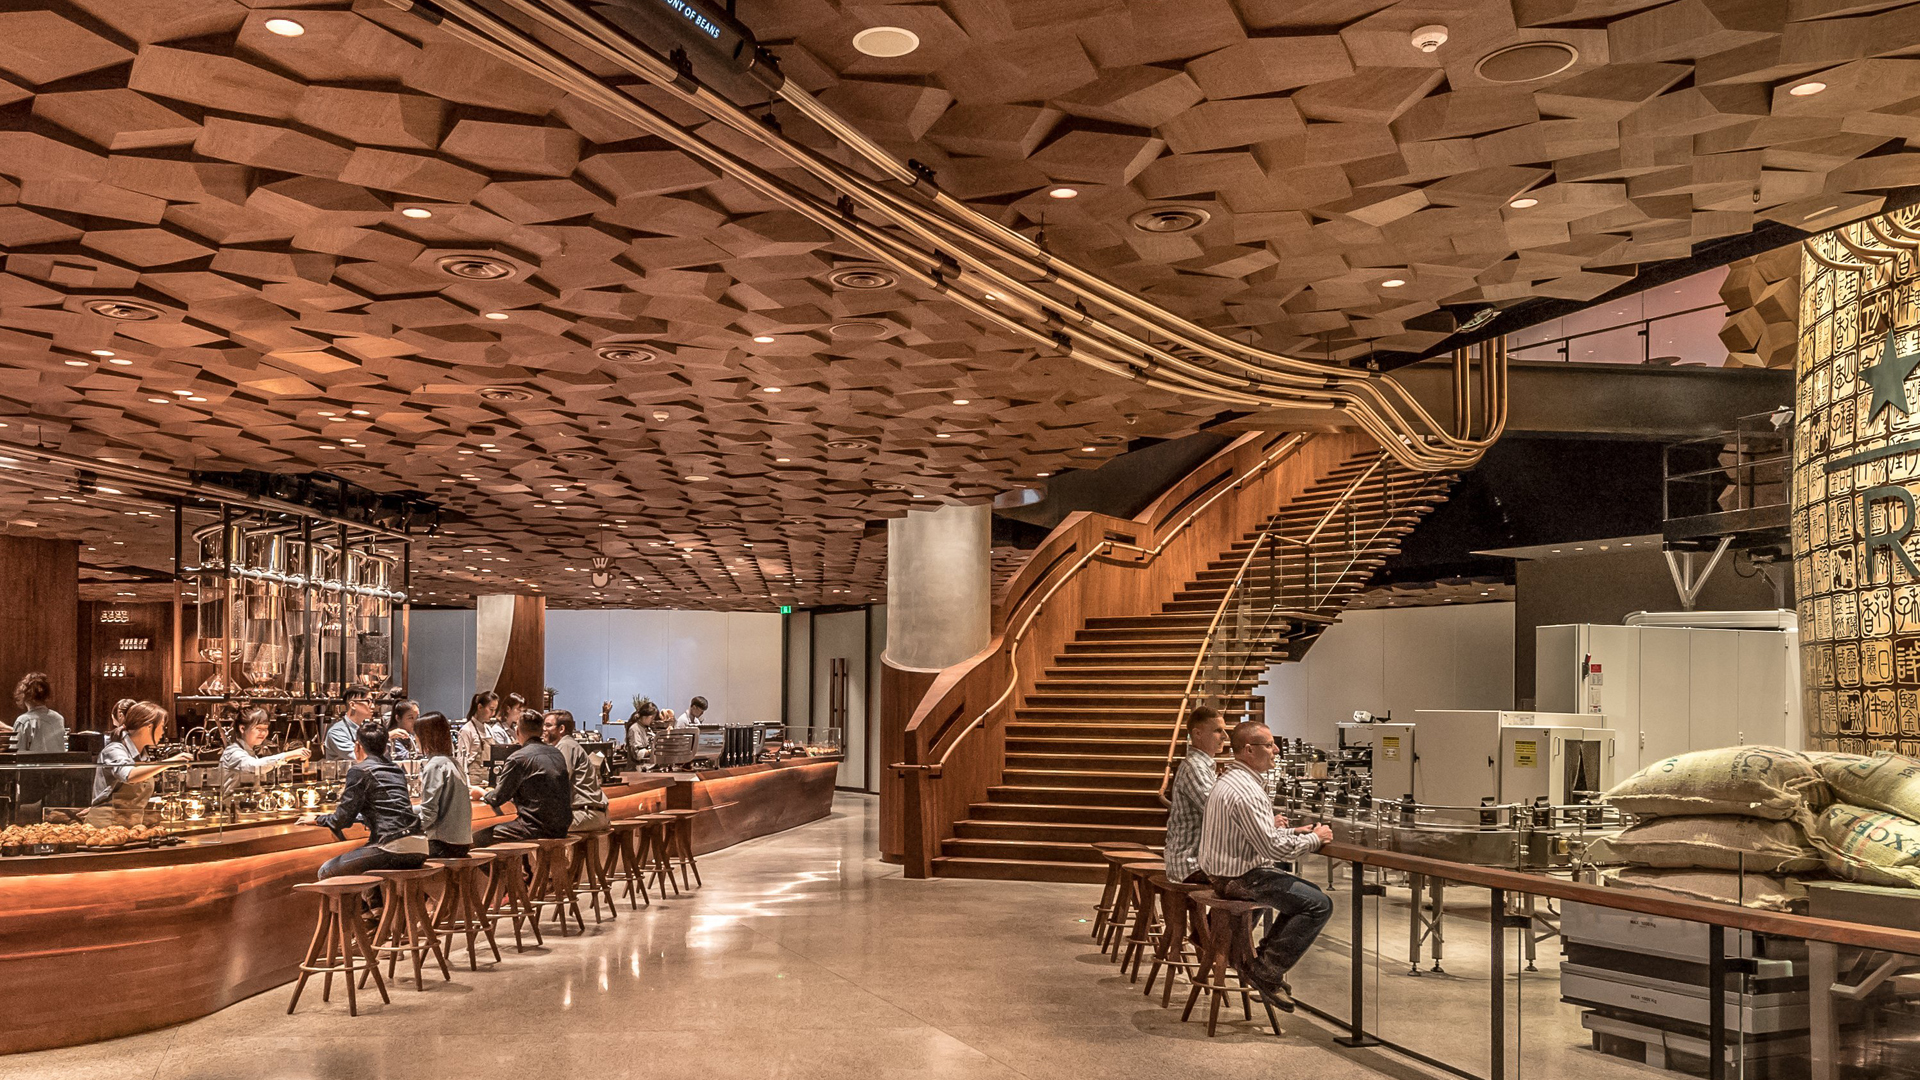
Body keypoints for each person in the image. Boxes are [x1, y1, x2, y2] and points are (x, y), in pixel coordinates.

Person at [1197, 720, 1334, 1012]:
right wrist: (1315, 839)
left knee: (1304, 896)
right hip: (1239, 877)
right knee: (1318, 904)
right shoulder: (1246, 790)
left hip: (1225, 873)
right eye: (1269, 745)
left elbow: (1258, 835)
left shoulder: (1232, 780)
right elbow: (1270, 847)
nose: (1275, 750)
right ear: (1249, 750)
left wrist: (1294, 833)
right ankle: (1265, 970)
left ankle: (1249, 957)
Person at [299, 719, 427, 879]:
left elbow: (342, 819)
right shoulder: (395, 770)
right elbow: (387, 808)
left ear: (358, 745)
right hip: (420, 845)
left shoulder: (359, 771)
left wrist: (318, 819)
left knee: (326, 871)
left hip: (393, 846)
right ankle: (378, 904)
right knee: (370, 877)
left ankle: (369, 905)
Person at [469, 709, 570, 845]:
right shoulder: (556, 753)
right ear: (541, 731)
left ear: (517, 731)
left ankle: (505, 867)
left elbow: (497, 798)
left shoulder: (518, 758)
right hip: (562, 828)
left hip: (535, 827)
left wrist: (481, 792)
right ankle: (523, 866)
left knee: (477, 838)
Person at [90, 701, 192, 826]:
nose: (163, 733)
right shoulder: (114, 750)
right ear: (148, 727)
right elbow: (129, 775)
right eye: (161, 727)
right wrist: (169, 762)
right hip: (105, 827)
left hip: (131, 826)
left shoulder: (143, 756)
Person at [1164, 706, 1228, 886]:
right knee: (1258, 884)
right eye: (1218, 731)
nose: (1225, 736)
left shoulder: (1204, 766)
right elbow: (1218, 812)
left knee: (1260, 878)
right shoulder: (1195, 767)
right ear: (1197, 734)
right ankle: (1217, 916)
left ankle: (1216, 916)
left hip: (1201, 861)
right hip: (1190, 864)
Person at [410, 711, 472, 858]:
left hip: (442, 844)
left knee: (397, 856)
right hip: (461, 845)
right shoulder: (453, 763)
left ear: (425, 736)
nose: (415, 738)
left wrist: (405, 829)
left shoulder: (434, 766)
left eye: (416, 734)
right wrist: (408, 810)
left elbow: (429, 815)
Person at [543, 710, 609, 834]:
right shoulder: (569, 745)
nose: (543, 729)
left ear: (561, 729)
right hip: (594, 814)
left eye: (548, 725)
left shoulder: (565, 745)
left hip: (584, 815)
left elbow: (557, 781)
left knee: (534, 828)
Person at [220, 706, 310, 790]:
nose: (263, 733)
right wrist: (288, 755)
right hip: (231, 805)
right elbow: (255, 766)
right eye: (259, 729)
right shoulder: (232, 752)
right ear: (242, 728)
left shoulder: (250, 752)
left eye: (265, 729)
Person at [12, 672, 67, 753]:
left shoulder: (24, 721)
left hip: (33, 765)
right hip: (56, 765)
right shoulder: (58, 718)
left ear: (24, 695)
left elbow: (16, 752)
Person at [455, 690, 499, 784]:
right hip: (473, 782)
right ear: (480, 707)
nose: (493, 714)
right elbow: (461, 762)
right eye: (491, 709)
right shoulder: (467, 730)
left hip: (487, 781)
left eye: (495, 710)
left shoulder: (489, 730)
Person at [321, 688, 374, 761]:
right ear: (352, 705)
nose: (373, 706)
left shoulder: (363, 728)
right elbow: (359, 757)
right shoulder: (337, 732)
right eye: (368, 701)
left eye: (373, 701)